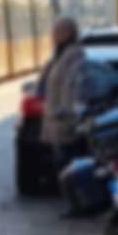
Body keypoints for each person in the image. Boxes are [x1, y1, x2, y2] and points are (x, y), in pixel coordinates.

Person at [40, 16, 86, 173]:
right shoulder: (60, 56)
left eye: (55, 32)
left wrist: (67, 117)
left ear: (65, 34)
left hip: (65, 126)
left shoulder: (73, 56)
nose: (52, 36)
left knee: (68, 170)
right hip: (58, 126)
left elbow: (71, 89)